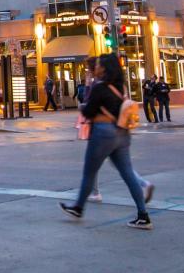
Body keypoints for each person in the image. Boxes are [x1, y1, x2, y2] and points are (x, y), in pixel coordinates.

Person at [60, 53, 153, 230]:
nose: (96, 67)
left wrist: (83, 103)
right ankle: (143, 215)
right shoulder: (120, 87)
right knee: (128, 174)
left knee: (89, 172)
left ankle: (78, 208)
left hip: (103, 132)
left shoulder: (100, 88)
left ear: (104, 68)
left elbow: (88, 112)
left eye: (99, 64)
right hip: (122, 133)